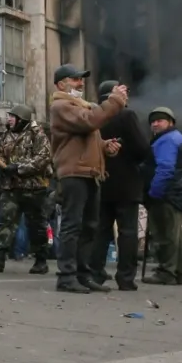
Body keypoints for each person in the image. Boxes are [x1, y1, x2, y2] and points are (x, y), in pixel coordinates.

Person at [48, 65, 128, 293]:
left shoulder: (80, 107)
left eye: (80, 79)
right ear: (60, 84)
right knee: (73, 226)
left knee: (89, 227)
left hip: (90, 172)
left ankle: (83, 275)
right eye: (74, 79)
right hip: (74, 173)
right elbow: (90, 121)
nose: (80, 83)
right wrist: (114, 101)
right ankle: (66, 276)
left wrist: (104, 146)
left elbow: (86, 135)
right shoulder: (61, 106)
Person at [90, 80, 150, 289]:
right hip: (126, 183)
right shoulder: (126, 115)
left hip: (101, 180)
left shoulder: (93, 115)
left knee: (101, 230)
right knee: (127, 232)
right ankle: (125, 278)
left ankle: (95, 273)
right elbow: (142, 148)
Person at [0, 105, 53, 274]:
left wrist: (18, 168)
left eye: (12, 117)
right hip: (11, 187)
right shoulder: (6, 135)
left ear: (22, 119)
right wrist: (1, 166)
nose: (9, 120)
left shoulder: (38, 134)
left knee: (36, 224)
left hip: (34, 187)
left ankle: (41, 260)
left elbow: (43, 158)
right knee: (5, 221)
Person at [142, 107, 182, 286]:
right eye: (152, 121)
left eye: (160, 120)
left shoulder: (167, 140)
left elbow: (165, 169)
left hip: (166, 195)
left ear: (170, 122)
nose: (155, 123)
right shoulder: (173, 137)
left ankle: (166, 272)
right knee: (175, 235)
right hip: (174, 193)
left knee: (165, 235)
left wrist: (154, 192)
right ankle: (177, 272)